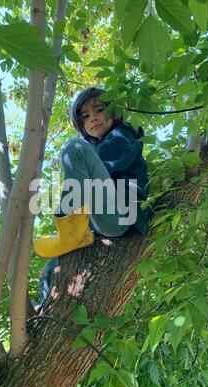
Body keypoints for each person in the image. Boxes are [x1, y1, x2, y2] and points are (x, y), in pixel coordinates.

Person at [33, 87, 153, 305]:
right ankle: (43, 306)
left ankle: (70, 225)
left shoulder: (123, 135)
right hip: (101, 222)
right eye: (85, 116)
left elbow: (99, 173)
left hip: (122, 214)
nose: (94, 117)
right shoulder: (94, 147)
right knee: (53, 265)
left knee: (74, 147)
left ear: (114, 112)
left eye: (99, 110)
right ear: (82, 125)